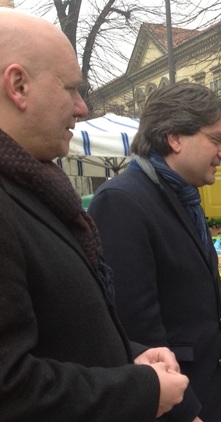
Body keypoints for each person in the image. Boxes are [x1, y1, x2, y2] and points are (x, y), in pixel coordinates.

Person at [0, 9, 188, 421]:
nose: (82, 107)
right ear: (18, 86)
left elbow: (62, 337)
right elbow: (10, 388)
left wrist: (130, 356)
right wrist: (140, 389)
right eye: (71, 89)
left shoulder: (34, 186)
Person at [88, 83, 221, 421]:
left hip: (217, 390)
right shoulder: (122, 201)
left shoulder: (185, 197)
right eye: (216, 140)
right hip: (178, 404)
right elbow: (134, 329)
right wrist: (184, 413)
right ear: (175, 137)